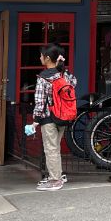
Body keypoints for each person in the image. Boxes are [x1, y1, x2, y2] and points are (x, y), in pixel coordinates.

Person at [32, 45, 75, 192]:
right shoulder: (64, 75)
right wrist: (61, 69)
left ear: (48, 58)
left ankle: (55, 180)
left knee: (50, 149)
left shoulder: (44, 77)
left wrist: (36, 120)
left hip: (48, 117)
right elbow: (74, 84)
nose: (40, 58)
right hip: (63, 116)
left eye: (41, 55)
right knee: (55, 148)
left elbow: (40, 100)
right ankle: (57, 175)